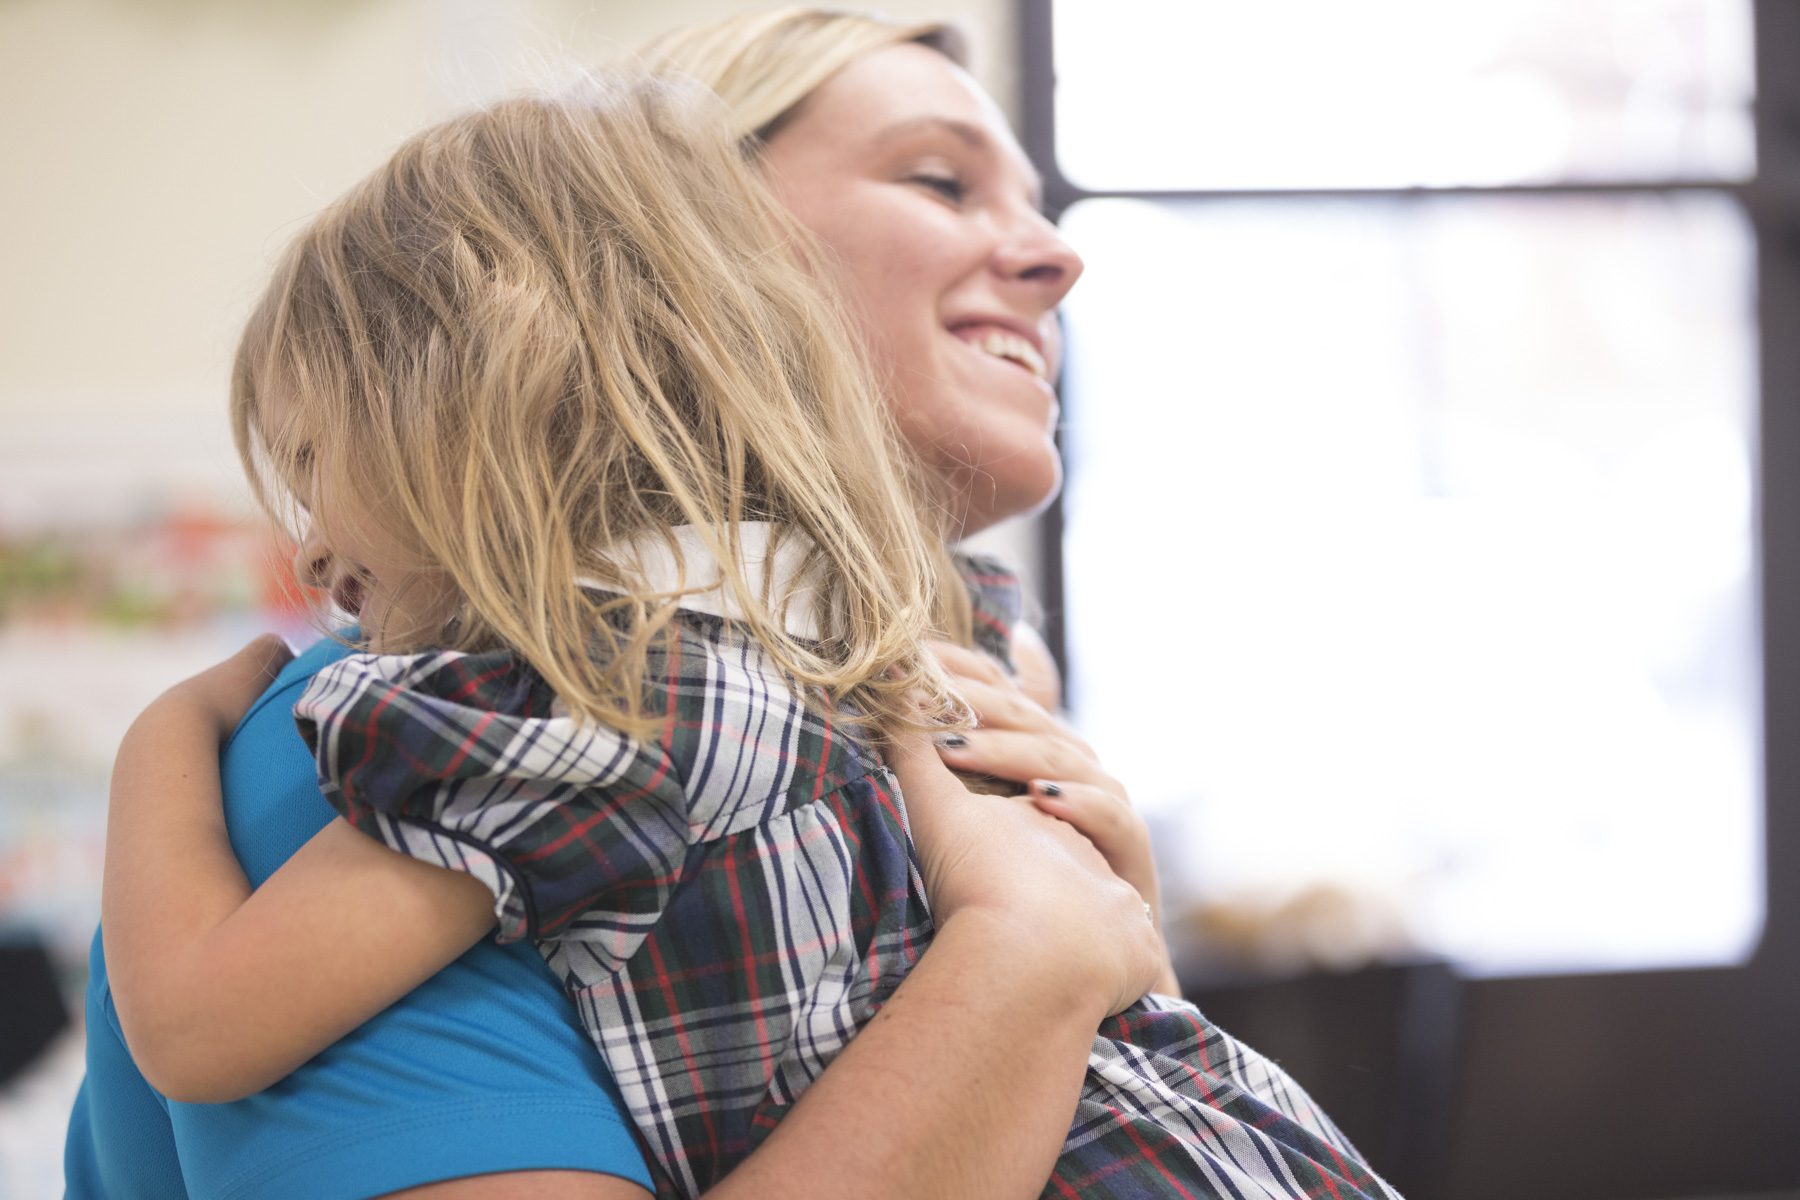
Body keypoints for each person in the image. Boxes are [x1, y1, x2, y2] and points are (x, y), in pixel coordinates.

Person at [100, 69, 1399, 1200]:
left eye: (315, 458)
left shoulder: (577, 717)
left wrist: (165, 735)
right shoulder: (936, 635)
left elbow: (206, 1023)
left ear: (459, 413)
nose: (311, 543)